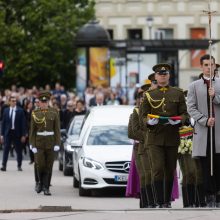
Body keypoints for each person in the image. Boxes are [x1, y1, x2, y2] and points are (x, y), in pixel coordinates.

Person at [140, 63, 188, 208]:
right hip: (155, 137)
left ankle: (166, 200)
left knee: (170, 169)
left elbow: (184, 113)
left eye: (165, 73)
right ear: (155, 76)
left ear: (169, 76)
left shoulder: (178, 93)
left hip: (172, 136)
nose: (162, 76)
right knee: (158, 169)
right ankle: (159, 200)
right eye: (160, 74)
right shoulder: (149, 95)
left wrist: (179, 121)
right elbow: (142, 117)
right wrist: (149, 122)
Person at [187, 54, 220, 208]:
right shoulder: (194, 86)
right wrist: (205, 120)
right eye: (206, 64)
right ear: (201, 66)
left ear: (215, 66)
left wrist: (215, 97)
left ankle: (218, 194)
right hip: (204, 131)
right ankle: (209, 195)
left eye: (211, 64)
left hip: (219, 132)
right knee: (206, 166)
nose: (209, 67)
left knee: (218, 164)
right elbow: (191, 108)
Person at [29, 91, 61, 196]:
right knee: (40, 165)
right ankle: (39, 183)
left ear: (48, 102)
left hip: (50, 143)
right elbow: (32, 131)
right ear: (39, 102)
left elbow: (57, 129)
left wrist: (57, 143)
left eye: (45, 101)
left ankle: (46, 187)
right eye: (42, 102)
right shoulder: (35, 113)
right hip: (39, 143)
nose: (44, 103)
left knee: (49, 166)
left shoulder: (54, 112)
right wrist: (32, 145)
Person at [0, 96, 27, 171]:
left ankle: (19, 165)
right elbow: (3, 123)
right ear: (9, 102)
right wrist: (1, 134)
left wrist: (23, 135)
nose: (14, 102)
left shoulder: (20, 111)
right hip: (8, 133)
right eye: (12, 101)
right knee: (6, 149)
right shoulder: (6, 110)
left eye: (15, 101)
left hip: (17, 133)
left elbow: (23, 124)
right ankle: (4, 166)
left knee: (18, 150)